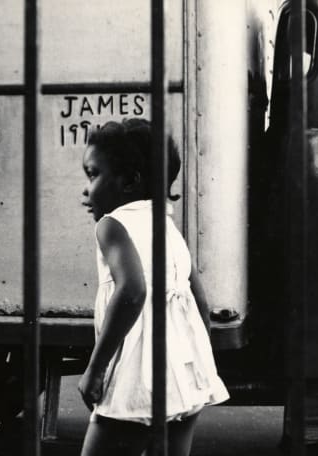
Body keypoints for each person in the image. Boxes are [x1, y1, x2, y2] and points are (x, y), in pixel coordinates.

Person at [78, 119, 229, 456]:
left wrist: (95, 369)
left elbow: (132, 291)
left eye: (93, 175)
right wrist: (197, 365)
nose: (85, 191)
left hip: (138, 375)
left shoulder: (112, 225)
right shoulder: (166, 225)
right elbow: (198, 301)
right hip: (185, 374)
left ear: (130, 181)